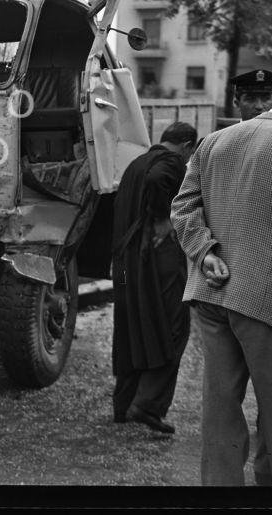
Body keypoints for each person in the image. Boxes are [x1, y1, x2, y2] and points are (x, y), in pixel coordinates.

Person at [171, 72, 272, 486]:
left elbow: (182, 207)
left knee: (220, 409)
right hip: (268, 298)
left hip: (212, 292)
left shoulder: (214, 141)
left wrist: (204, 251)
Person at [111, 121, 198, 434]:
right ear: (187, 145)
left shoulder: (136, 162)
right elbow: (160, 179)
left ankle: (123, 406)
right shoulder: (171, 163)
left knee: (134, 329)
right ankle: (147, 405)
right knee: (174, 329)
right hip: (156, 260)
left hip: (128, 263)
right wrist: (163, 220)